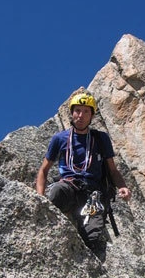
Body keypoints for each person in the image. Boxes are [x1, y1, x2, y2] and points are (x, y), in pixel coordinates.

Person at [36, 88, 131, 259]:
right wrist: (39, 199)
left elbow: (112, 169)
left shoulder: (101, 139)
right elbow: (43, 170)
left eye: (86, 111)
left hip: (93, 195)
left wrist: (122, 186)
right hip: (69, 186)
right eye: (77, 111)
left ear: (91, 116)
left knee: (93, 238)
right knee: (56, 193)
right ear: (71, 113)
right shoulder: (60, 139)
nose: (81, 115)